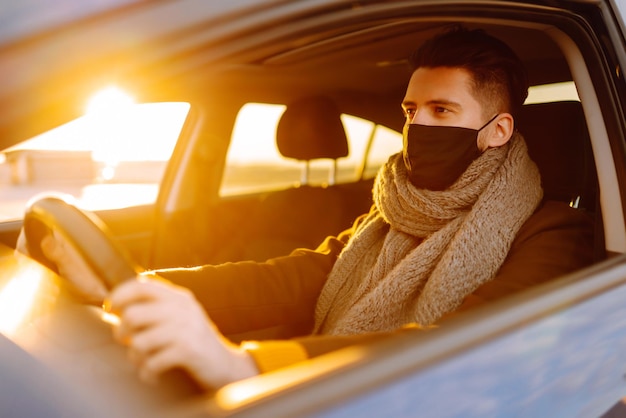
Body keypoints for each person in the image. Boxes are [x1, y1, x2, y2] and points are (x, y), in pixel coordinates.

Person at [23, 26, 595, 390]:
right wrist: (126, 287)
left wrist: (248, 367)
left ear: (497, 131)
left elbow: (466, 343)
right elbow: (294, 277)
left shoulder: (550, 232)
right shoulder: (391, 211)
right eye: (411, 108)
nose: (417, 125)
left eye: (442, 111)